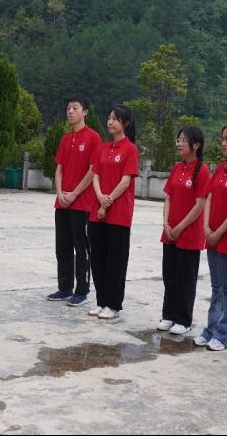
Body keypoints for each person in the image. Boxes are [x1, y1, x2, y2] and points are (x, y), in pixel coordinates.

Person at [194, 122, 227, 351]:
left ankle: (225, 334)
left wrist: (219, 232)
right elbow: (210, 197)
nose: (223, 143)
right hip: (212, 236)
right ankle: (211, 329)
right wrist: (206, 226)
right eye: (222, 138)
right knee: (216, 287)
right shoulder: (221, 169)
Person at [47, 94, 102, 307]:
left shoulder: (93, 138)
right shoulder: (65, 139)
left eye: (75, 108)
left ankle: (82, 290)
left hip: (82, 203)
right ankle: (65, 288)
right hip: (62, 202)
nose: (70, 111)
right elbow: (59, 169)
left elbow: (93, 170)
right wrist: (60, 192)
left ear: (85, 112)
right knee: (62, 246)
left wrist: (74, 194)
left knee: (82, 248)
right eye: (69, 107)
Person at [87, 106, 138, 321]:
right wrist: (100, 196)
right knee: (98, 259)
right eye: (109, 118)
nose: (110, 122)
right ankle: (101, 301)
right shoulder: (102, 147)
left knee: (115, 261)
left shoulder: (130, 149)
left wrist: (107, 201)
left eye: (115, 119)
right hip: (97, 211)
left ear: (125, 123)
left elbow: (126, 181)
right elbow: (95, 175)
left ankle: (114, 305)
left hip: (118, 214)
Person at [158, 126, 210, 336]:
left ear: (196, 145)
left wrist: (180, 227)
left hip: (188, 235)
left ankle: (183, 319)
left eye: (183, 140)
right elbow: (168, 197)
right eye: (178, 140)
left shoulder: (202, 171)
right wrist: (166, 223)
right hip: (170, 233)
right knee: (169, 276)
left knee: (185, 279)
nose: (179, 144)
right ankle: (168, 315)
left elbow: (200, 205)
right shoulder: (177, 168)